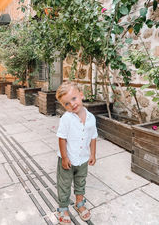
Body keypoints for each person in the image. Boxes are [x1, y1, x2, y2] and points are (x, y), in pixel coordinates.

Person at [56, 81, 98, 225]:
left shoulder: (91, 118)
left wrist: (92, 154)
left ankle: (79, 203)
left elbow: (93, 137)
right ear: (64, 106)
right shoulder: (66, 118)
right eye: (67, 103)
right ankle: (63, 207)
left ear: (81, 95)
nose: (72, 104)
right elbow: (62, 138)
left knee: (81, 181)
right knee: (64, 183)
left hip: (83, 159)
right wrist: (64, 157)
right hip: (68, 159)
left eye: (74, 99)